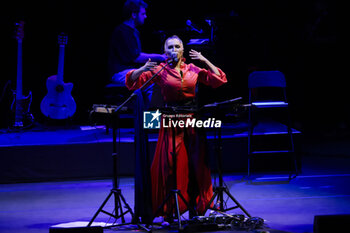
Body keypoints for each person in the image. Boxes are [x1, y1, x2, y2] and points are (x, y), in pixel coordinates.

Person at [125, 35, 227, 219]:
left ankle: (199, 208)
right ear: (165, 52)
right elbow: (132, 83)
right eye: (170, 47)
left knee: (197, 163)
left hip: (192, 121)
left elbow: (219, 80)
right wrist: (141, 69)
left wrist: (204, 60)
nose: (174, 50)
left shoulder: (193, 69)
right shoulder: (160, 70)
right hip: (171, 121)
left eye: (177, 46)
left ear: (182, 50)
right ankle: (170, 209)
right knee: (169, 164)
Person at [108, 0, 166, 86]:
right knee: (151, 81)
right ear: (134, 15)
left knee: (161, 75)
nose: (145, 16)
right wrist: (161, 57)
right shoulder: (122, 31)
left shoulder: (135, 31)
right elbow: (136, 57)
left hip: (133, 70)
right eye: (143, 14)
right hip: (120, 72)